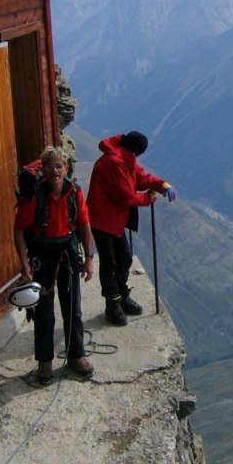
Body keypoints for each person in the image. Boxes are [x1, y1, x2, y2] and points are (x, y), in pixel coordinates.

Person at [14, 145, 96, 384]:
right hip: (42, 254)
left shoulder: (75, 192)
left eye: (58, 166)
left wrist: (89, 259)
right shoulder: (33, 196)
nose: (54, 171)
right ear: (43, 170)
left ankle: (76, 355)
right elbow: (19, 230)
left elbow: (84, 225)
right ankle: (45, 362)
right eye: (49, 167)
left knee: (73, 308)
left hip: (68, 253)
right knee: (43, 311)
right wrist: (24, 263)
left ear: (66, 168)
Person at [87, 131, 176, 326]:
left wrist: (162, 184)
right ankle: (113, 304)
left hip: (114, 220)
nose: (138, 158)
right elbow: (125, 196)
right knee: (110, 262)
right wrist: (148, 198)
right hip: (102, 220)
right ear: (134, 151)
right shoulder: (114, 162)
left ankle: (120, 295)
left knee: (125, 258)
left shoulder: (125, 157)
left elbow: (141, 177)